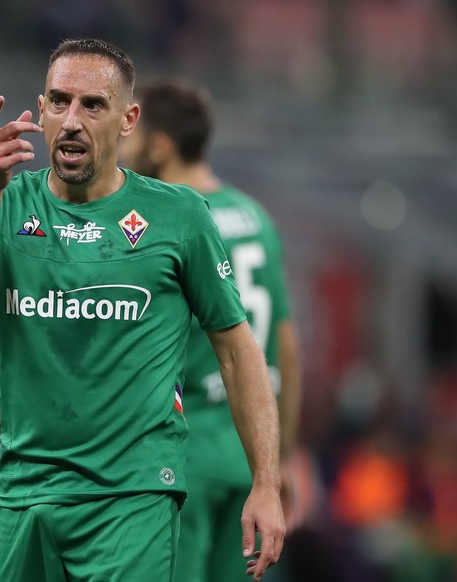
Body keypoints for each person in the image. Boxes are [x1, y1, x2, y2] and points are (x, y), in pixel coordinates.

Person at [0, 38, 285, 581]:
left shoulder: (180, 216)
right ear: (42, 109)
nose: (71, 120)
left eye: (92, 105)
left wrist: (265, 481)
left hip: (133, 496)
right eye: (59, 101)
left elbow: (238, 352)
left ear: (127, 120)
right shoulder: (1, 202)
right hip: (28, 494)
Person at [119, 78, 303, 582]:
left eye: (133, 137)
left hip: (184, 451)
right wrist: (281, 459)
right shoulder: (256, 217)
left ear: (159, 144)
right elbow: (284, 345)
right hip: (248, 453)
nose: (124, 147)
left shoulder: (167, 218)